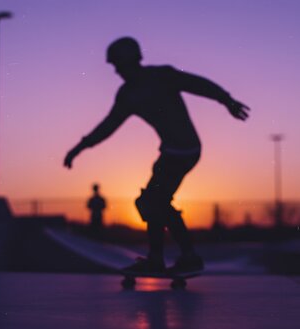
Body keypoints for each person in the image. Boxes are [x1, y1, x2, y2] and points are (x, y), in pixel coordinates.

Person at [64, 37, 249, 275]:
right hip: (171, 151)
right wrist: (79, 148)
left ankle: (175, 257)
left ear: (131, 61)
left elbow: (198, 85)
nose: (117, 71)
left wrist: (227, 100)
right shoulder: (127, 94)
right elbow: (108, 126)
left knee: (154, 201)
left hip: (185, 150)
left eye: (118, 66)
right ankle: (170, 257)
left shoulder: (162, 76)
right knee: (153, 202)